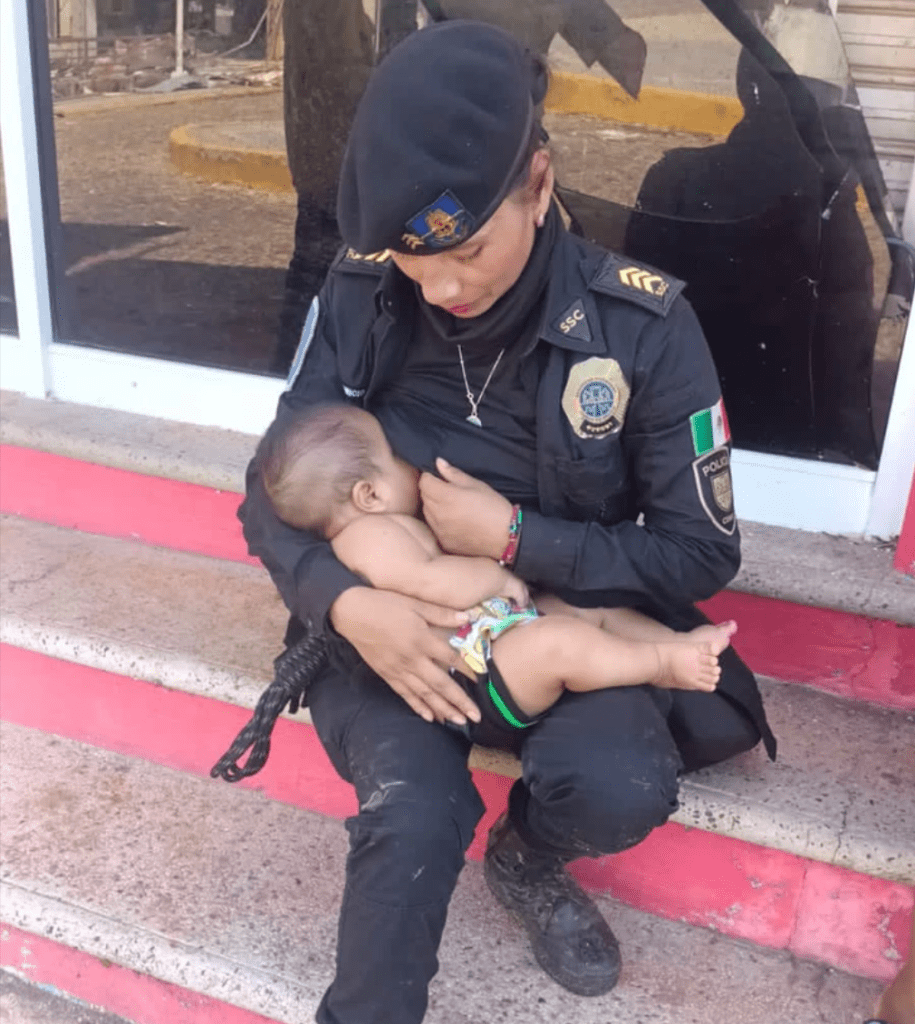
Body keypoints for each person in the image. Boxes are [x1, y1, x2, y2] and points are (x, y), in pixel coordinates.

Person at [238, 19, 777, 1022]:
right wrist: (348, 605)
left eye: (468, 250)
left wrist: (519, 540)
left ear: (537, 181)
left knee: (619, 782)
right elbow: (269, 484)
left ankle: (527, 857)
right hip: (392, 623)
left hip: (553, 622)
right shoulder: (364, 294)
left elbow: (699, 552)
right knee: (413, 814)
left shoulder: (641, 329)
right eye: (414, 260)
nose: (442, 286)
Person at [257, 402, 737, 741]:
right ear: (369, 495)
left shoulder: (385, 526)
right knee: (560, 643)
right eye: (394, 457)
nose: (410, 464)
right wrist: (498, 576)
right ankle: (661, 665)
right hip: (477, 680)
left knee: (579, 610)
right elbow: (433, 582)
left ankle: (678, 643)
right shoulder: (368, 537)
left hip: (494, 638)